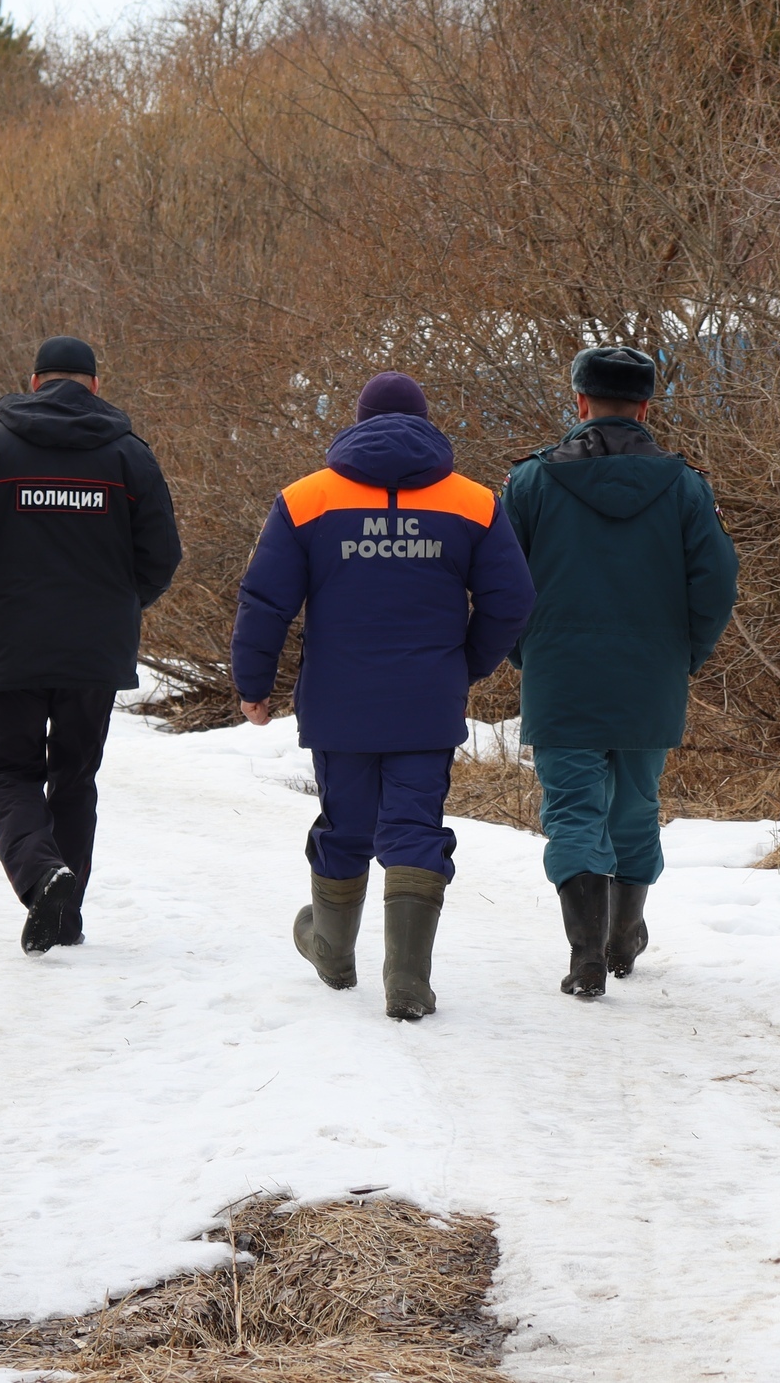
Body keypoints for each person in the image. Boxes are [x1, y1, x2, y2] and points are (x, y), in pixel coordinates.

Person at [230, 371, 535, 1021]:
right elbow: (513, 600)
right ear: (425, 425)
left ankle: (333, 952)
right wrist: (465, 663)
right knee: (414, 828)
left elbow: (265, 602)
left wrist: (253, 685)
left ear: (358, 423)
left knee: (345, 823)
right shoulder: (472, 502)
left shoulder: (306, 499)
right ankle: (408, 982)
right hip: (428, 701)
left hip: (338, 703)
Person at [0, 336, 183, 954]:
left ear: (34, 380)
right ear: (95, 386)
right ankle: (65, 918)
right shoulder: (129, 456)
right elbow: (162, 555)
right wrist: (118, 611)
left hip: (15, 640)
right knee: (74, 775)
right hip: (95, 651)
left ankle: (43, 876)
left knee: (10, 771)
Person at [504, 345, 738, 999]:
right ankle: (620, 937)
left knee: (573, 806)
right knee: (635, 805)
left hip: (559, 672)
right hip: (650, 671)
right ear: (644, 406)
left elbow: (500, 579)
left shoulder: (530, 483)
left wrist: (523, 648)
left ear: (579, 403)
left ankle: (586, 953)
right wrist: (686, 651)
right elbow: (717, 582)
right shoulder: (686, 486)